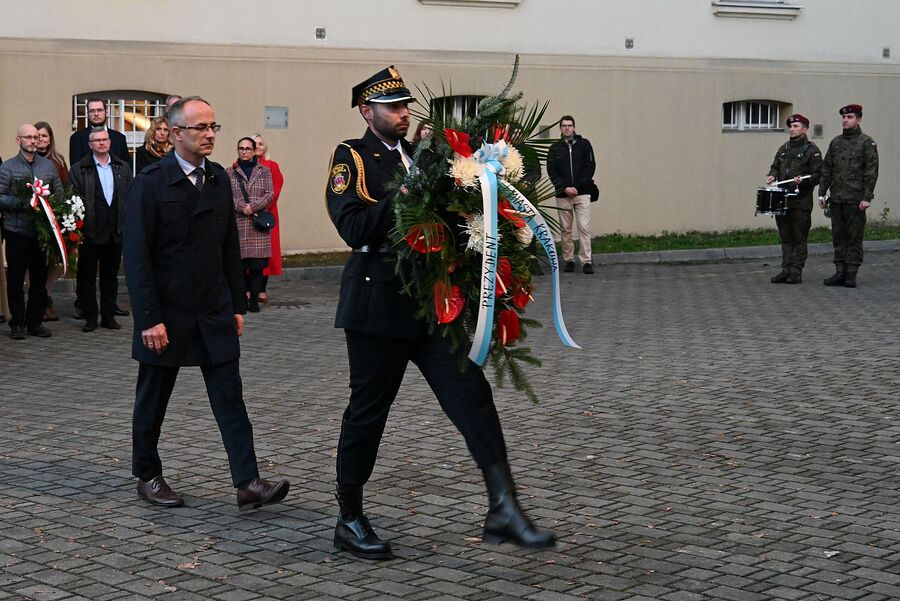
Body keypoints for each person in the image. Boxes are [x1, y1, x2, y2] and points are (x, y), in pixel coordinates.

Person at [324, 66, 556, 560]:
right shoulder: (352, 156)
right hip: (377, 304)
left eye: (405, 105)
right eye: (392, 107)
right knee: (368, 413)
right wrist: (407, 193)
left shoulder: (421, 156)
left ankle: (505, 506)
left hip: (431, 303)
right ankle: (349, 516)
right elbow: (353, 227)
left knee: (472, 396)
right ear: (366, 111)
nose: (403, 113)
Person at [123, 96, 289, 509]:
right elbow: (137, 257)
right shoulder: (151, 182)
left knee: (230, 395)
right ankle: (147, 474)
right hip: (167, 312)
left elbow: (228, 248)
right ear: (176, 133)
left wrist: (236, 306)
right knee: (153, 397)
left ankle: (248, 482)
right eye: (201, 128)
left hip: (213, 309)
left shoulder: (218, 178)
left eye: (214, 127)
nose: (210, 134)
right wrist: (148, 318)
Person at [0, 124, 64, 339]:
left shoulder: (48, 166)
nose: (33, 141)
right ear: (18, 140)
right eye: (28, 137)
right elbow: (1, 196)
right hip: (16, 231)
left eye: (36, 137)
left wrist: (53, 208)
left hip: (41, 232)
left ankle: (35, 322)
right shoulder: (8, 167)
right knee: (16, 280)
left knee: (39, 280)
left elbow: (59, 194)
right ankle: (17, 323)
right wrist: (23, 202)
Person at [70, 127, 134, 331]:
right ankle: (90, 317)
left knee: (110, 276)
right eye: (97, 140)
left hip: (115, 230)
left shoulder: (123, 167)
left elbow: (130, 197)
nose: (102, 143)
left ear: (110, 142)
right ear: (90, 145)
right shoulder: (79, 169)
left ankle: (108, 316)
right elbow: (73, 199)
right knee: (87, 276)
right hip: (90, 230)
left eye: (105, 139)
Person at [818, 104, 879, 288]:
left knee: (854, 237)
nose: (845, 120)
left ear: (858, 119)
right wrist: (822, 193)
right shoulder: (835, 142)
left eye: (850, 117)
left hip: (855, 199)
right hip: (837, 197)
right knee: (838, 236)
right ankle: (840, 272)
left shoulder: (866, 143)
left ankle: (851, 273)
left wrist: (867, 197)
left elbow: (871, 172)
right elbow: (827, 169)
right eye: (844, 117)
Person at [765, 114, 823, 285]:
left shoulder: (812, 150)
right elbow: (775, 166)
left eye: (796, 126)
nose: (792, 129)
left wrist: (803, 181)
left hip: (801, 200)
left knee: (799, 236)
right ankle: (786, 269)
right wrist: (772, 175)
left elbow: (818, 174)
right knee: (785, 236)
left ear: (805, 129)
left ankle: (796, 271)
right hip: (782, 199)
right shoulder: (783, 148)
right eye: (790, 126)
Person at [226, 137, 273, 312]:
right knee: (239, 267)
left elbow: (269, 194)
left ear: (254, 151)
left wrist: (252, 207)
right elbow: (226, 195)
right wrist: (241, 207)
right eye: (241, 148)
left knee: (257, 267)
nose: (244, 151)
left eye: (248, 148)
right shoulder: (229, 172)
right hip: (238, 224)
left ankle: (253, 300)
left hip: (257, 224)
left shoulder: (264, 171)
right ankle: (241, 301)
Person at [546, 115, 596, 274]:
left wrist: (577, 186)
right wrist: (564, 187)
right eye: (564, 126)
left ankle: (586, 261)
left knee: (583, 227)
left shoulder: (584, 144)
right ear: (560, 128)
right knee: (565, 229)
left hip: (582, 193)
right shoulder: (555, 148)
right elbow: (551, 170)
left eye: (569, 125)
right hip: (563, 195)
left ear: (574, 127)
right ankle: (569, 259)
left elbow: (590, 166)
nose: (567, 128)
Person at [34, 121, 70, 321]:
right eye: (37, 135)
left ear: (50, 139)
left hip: (53, 216)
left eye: (44, 136)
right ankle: (37, 301)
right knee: (34, 262)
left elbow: (64, 187)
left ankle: (46, 298)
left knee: (52, 262)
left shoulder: (58, 161)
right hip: (33, 216)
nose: (41, 139)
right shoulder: (27, 159)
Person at [253, 133, 283, 302]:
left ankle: (261, 289)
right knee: (247, 252)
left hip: (266, 214)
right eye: (254, 143)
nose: (257, 146)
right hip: (246, 214)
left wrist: (259, 207)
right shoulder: (237, 166)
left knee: (265, 253)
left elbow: (275, 190)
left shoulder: (272, 166)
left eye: (260, 143)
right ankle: (247, 288)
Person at [69, 98, 130, 166]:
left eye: (99, 110)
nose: (96, 114)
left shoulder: (119, 138)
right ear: (88, 114)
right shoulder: (77, 138)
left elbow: (126, 167)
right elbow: (76, 168)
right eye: (92, 111)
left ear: (106, 112)